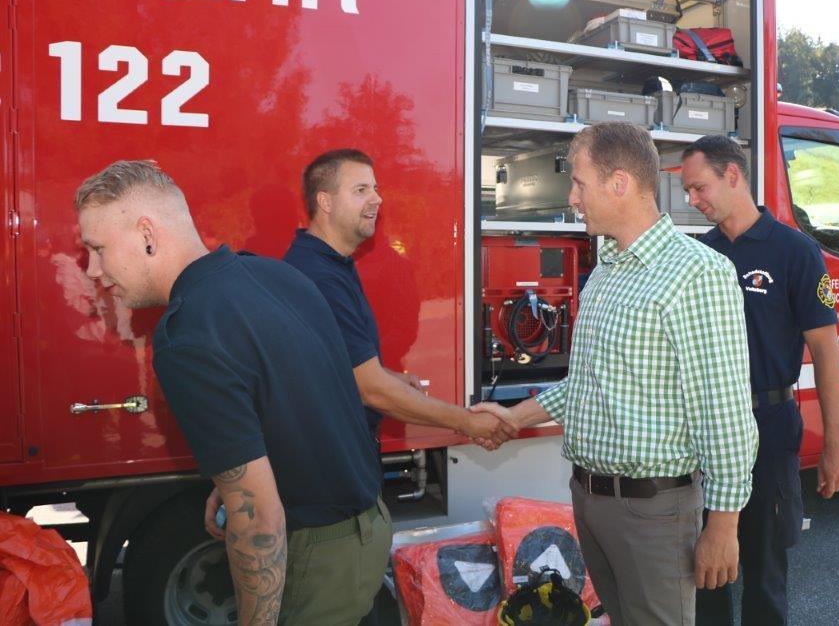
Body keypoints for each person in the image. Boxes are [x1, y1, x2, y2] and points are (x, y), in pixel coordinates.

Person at [76, 161, 388, 625]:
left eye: (98, 249)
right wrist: (231, 482)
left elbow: (259, 520)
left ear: (147, 234)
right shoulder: (274, 275)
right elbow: (303, 402)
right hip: (368, 527)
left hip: (315, 556)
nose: (93, 270)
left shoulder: (186, 337)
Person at [473, 122, 758, 625]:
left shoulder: (697, 272)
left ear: (619, 183)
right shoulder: (606, 269)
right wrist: (514, 417)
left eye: (579, 183)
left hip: (653, 513)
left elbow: (724, 411)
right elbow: (589, 384)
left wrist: (723, 526)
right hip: (590, 500)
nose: (572, 198)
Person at [680, 135, 839, 626]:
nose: (692, 200)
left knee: (764, 571)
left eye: (699, 187)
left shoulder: (795, 252)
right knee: (705, 572)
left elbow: (826, 353)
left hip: (769, 427)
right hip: (706, 429)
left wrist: (836, 444)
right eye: (688, 191)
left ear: (733, 175)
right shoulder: (698, 255)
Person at [283, 148, 517, 448]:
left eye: (375, 188)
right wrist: (468, 421)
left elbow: (335, 364)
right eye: (361, 190)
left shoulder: (328, 264)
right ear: (325, 202)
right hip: (327, 453)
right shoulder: (320, 277)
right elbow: (371, 390)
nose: (377, 199)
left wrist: (387, 376)